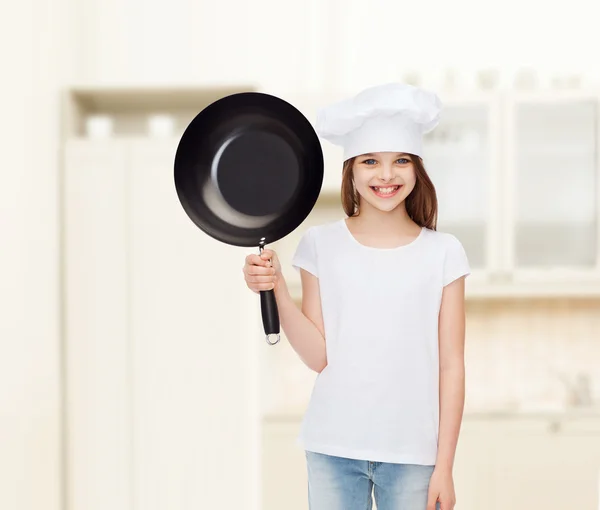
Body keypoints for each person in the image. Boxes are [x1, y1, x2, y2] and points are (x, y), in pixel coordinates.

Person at [242, 83, 470, 510]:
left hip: (414, 455)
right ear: (351, 169)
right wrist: (276, 290)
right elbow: (319, 357)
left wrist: (445, 466)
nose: (386, 175)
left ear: (417, 168)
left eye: (400, 160)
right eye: (370, 161)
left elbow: (451, 365)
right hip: (332, 446)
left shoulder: (444, 253)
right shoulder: (320, 245)